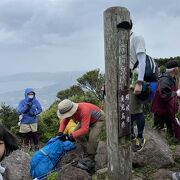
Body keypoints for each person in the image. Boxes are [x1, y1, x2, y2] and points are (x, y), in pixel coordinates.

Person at [129, 20, 147, 152]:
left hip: (134, 80)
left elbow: (142, 61)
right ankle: (131, 135)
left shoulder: (137, 37)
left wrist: (139, 82)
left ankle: (140, 137)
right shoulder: (122, 40)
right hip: (124, 80)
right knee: (127, 110)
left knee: (136, 111)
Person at [151, 60, 180, 137]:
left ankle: (170, 143)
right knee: (157, 131)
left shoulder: (172, 78)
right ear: (175, 69)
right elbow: (164, 94)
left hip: (168, 109)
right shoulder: (165, 79)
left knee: (171, 130)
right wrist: (176, 93)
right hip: (161, 109)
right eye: (178, 68)